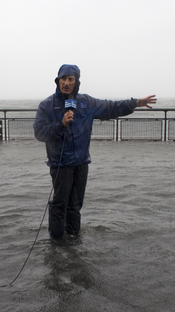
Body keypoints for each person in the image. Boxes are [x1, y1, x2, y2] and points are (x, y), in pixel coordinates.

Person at [33, 64, 157, 241]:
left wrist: (135, 103)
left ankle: (74, 239)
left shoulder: (86, 102)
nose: (66, 83)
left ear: (76, 82)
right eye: (63, 79)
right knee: (60, 204)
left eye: (70, 79)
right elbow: (39, 132)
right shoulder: (46, 105)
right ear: (57, 81)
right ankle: (57, 243)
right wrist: (61, 124)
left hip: (81, 162)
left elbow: (111, 107)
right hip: (60, 164)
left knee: (75, 205)